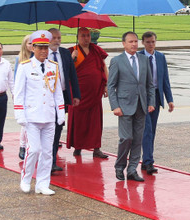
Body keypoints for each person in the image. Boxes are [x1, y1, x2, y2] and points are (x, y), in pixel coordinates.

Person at [13, 30, 64, 195]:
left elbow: (57, 92)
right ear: (33, 48)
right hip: (32, 116)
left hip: (48, 115)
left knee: (48, 152)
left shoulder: (53, 66)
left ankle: (42, 184)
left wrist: (60, 113)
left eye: (45, 48)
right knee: (34, 150)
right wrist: (20, 114)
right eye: (40, 48)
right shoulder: (25, 67)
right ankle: (26, 178)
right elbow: (19, 92)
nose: (43, 51)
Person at [108, 32, 155, 182]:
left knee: (137, 139)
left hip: (141, 105)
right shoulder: (117, 61)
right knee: (126, 138)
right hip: (124, 106)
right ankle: (119, 166)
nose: (134, 44)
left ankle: (132, 169)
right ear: (123, 44)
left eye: (135, 41)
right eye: (130, 42)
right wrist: (115, 106)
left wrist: (151, 102)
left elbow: (150, 84)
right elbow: (111, 86)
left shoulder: (144, 59)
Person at [67, 27, 109, 158]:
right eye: (83, 36)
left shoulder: (96, 50)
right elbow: (67, 72)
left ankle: (96, 148)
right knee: (79, 121)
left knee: (95, 121)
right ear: (78, 37)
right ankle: (77, 147)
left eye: (88, 36)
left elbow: (103, 67)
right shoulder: (72, 52)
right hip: (78, 94)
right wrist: (71, 59)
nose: (86, 38)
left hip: (95, 93)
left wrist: (106, 84)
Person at [138, 31, 175, 175]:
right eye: (148, 42)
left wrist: (169, 99)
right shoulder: (139, 57)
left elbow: (165, 79)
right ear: (143, 43)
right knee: (146, 129)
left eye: (153, 42)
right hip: (144, 98)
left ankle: (145, 159)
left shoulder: (160, 57)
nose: (151, 45)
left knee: (151, 130)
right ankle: (148, 162)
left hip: (157, 97)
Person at [48, 28, 81, 173]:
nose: (57, 41)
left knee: (57, 128)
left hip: (61, 97)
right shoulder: (41, 54)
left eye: (59, 38)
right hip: (46, 99)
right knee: (49, 130)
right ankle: (46, 161)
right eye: (54, 38)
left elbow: (72, 75)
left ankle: (52, 161)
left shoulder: (65, 53)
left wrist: (76, 95)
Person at [14, 34, 33, 160]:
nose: (31, 46)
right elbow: (17, 80)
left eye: (33, 43)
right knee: (25, 123)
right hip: (25, 95)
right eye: (29, 43)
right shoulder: (20, 59)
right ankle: (22, 145)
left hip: (34, 94)